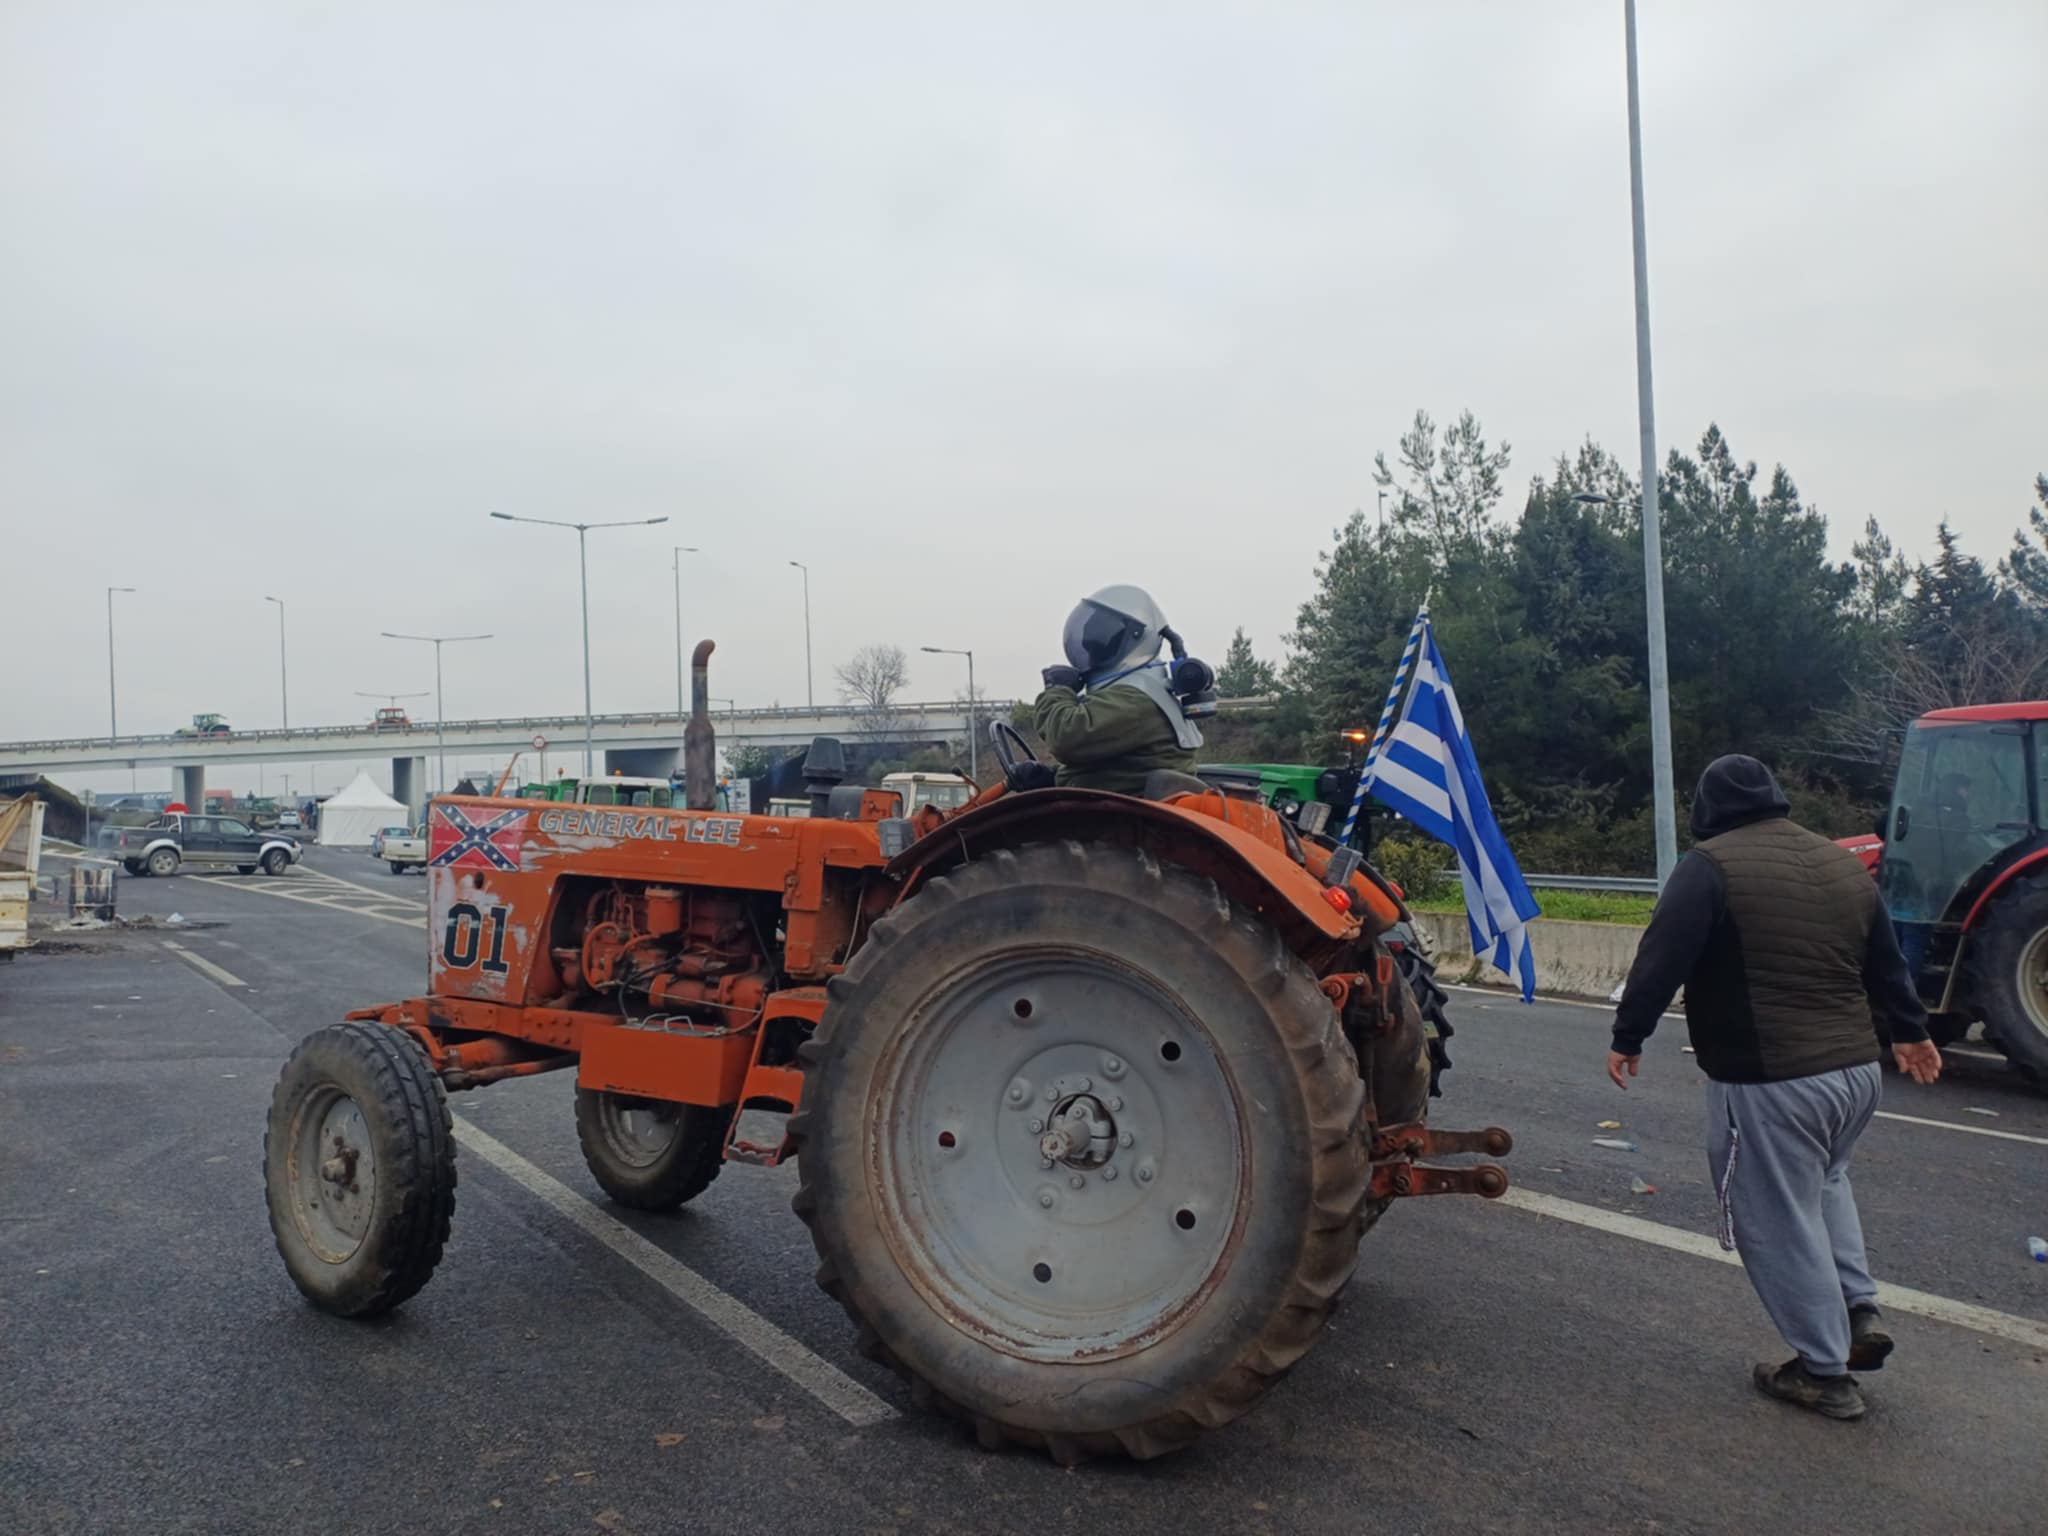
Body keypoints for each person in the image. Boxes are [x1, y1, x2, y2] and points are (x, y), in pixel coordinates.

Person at [1606, 754, 1942, 1422]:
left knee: (1776, 1217)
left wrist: (1628, 1035)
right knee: (1824, 1186)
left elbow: (1661, 956)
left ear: (1707, 807)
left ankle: (1824, 1372)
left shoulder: (1710, 867)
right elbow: (1886, 961)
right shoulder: (1838, 862)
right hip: (1854, 1074)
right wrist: (1911, 1031)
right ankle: (1855, 1307)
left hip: (1774, 1079)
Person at [1029, 585, 1203, 795]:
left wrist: (1057, 689)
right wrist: (1051, 776)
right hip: (1115, 808)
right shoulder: (1149, 688)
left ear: (1136, 636)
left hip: (1117, 819)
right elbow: (1120, 768)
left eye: (1102, 640)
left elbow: (1065, 736)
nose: (1092, 650)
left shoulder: (1135, 697)